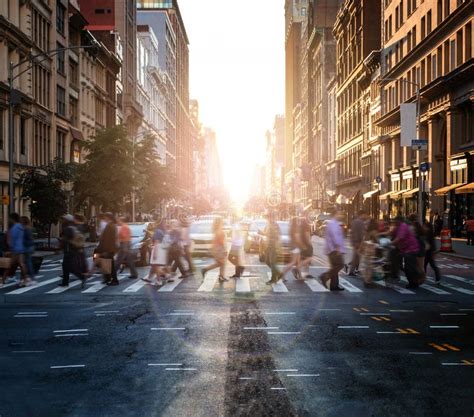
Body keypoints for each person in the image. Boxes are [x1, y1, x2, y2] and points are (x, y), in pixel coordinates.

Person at [319, 207, 346, 291]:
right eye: (339, 213)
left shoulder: (333, 223)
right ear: (335, 214)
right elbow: (335, 236)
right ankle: (324, 276)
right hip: (334, 249)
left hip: (331, 249)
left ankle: (334, 286)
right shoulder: (333, 224)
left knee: (335, 266)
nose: (341, 215)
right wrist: (338, 247)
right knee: (340, 265)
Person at [2, 213, 31, 287]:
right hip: (20, 248)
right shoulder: (20, 226)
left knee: (9, 265)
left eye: (9, 218)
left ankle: (2, 281)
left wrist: (10, 249)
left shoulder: (15, 227)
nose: (8, 220)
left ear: (12, 219)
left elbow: (12, 239)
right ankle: (25, 280)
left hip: (16, 249)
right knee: (21, 265)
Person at [391, 216, 420, 288]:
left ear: (399, 221)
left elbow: (399, 238)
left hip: (411, 249)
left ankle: (414, 282)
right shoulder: (397, 227)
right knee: (408, 267)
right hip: (405, 250)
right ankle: (414, 281)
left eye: (395, 221)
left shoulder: (403, 226)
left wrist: (389, 244)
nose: (394, 223)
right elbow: (391, 232)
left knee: (409, 267)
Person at [59, 214, 87, 288]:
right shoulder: (72, 227)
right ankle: (65, 282)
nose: (62, 221)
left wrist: (60, 247)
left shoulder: (68, 228)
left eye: (63, 219)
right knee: (65, 267)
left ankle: (82, 277)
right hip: (71, 250)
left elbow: (66, 240)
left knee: (71, 267)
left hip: (70, 250)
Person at [202, 217, 228, 283]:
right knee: (222, 263)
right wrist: (225, 249)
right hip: (219, 249)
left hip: (215, 248)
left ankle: (221, 276)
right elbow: (221, 242)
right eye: (222, 221)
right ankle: (206, 269)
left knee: (220, 263)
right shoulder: (219, 231)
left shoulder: (216, 230)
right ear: (220, 222)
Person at [144, 221, 170, 286]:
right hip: (162, 250)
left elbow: (156, 242)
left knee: (156, 267)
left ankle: (160, 280)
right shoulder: (163, 231)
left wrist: (155, 253)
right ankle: (150, 277)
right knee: (155, 266)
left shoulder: (157, 231)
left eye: (154, 223)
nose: (153, 224)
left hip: (158, 249)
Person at [96, 212, 119, 285]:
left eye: (105, 217)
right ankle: (108, 278)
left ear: (108, 218)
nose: (104, 218)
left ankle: (114, 280)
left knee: (110, 265)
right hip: (110, 248)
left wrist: (106, 250)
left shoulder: (110, 226)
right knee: (108, 264)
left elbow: (109, 239)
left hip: (109, 249)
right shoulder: (111, 225)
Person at [346, 210, 367, 277]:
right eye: (365, 215)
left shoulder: (354, 221)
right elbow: (360, 233)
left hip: (355, 241)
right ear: (362, 215)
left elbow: (352, 232)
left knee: (357, 257)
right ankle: (351, 271)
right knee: (356, 257)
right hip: (358, 242)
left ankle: (351, 268)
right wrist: (359, 242)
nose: (365, 216)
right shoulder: (360, 222)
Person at [265, 212, 283, 285]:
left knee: (272, 263)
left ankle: (273, 279)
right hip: (268, 246)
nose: (267, 219)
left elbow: (277, 236)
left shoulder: (274, 225)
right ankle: (278, 274)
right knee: (267, 261)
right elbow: (267, 234)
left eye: (268, 217)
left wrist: (276, 247)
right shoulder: (269, 225)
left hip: (273, 246)